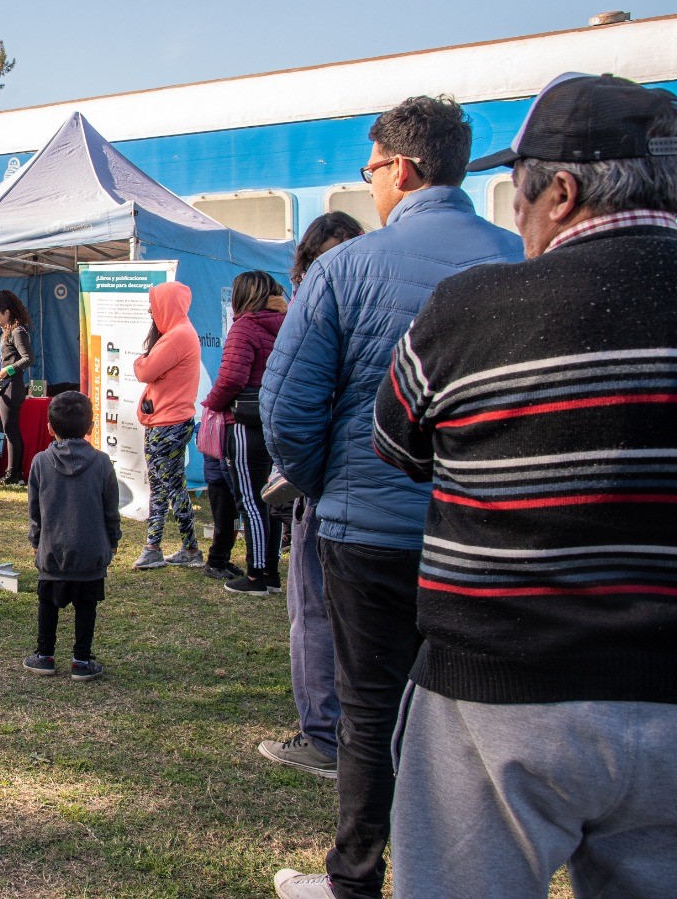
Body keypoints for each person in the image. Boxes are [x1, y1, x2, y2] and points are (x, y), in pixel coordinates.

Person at [359, 74, 677, 899]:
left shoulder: (472, 308)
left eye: (521, 195)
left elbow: (397, 441)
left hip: (499, 686)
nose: (518, 218)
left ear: (562, 194)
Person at [263, 96, 523, 899]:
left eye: (370, 168)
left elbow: (288, 408)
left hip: (367, 529)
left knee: (369, 713)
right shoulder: (520, 258)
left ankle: (357, 882)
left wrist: (327, 483)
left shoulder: (346, 267)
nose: (368, 183)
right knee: (475, 717)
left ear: (402, 169)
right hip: (485, 534)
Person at [257, 212, 364, 782]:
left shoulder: (315, 304)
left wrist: (297, 473)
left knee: (316, 608)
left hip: (329, 481)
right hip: (396, 479)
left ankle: (324, 735)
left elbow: (290, 405)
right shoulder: (389, 290)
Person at [22, 391, 119, 682]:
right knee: (86, 606)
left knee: (48, 604)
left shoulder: (40, 462)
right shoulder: (102, 463)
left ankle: (44, 656)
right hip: (92, 552)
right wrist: (112, 541)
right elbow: (110, 510)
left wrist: (37, 542)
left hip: (52, 551)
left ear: (50, 427)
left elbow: (34, 512)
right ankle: (81, 659)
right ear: (90, 427)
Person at [201, 271, 287, 595]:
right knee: (272, 497)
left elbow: (231, 380)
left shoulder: (246, 326)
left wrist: (211, 404)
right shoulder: (286, 325)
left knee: (250, 501)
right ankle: (272, 574)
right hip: (276, 420)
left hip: (244, 422)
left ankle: (256, 577)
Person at [130, 281, 200, 569]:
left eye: (154, 304)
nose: (150, 310)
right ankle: (155, 546)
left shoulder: (176, 337)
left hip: (168, 424)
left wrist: (139, 360)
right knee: (162, 486)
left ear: (166, 306)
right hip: (168, 421)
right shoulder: (181, 333)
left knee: (170, 487)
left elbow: (145, 370)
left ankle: (189, 549)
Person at [0, 290, 34, 487]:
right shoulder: (7, 332)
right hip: (4, 384)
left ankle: (13, 474)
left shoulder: (17, 331)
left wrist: (7, 371)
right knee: (10, 430)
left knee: (10, 430)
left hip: (13, 385)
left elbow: (28, 358)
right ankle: (15, 473)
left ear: (7, 312)